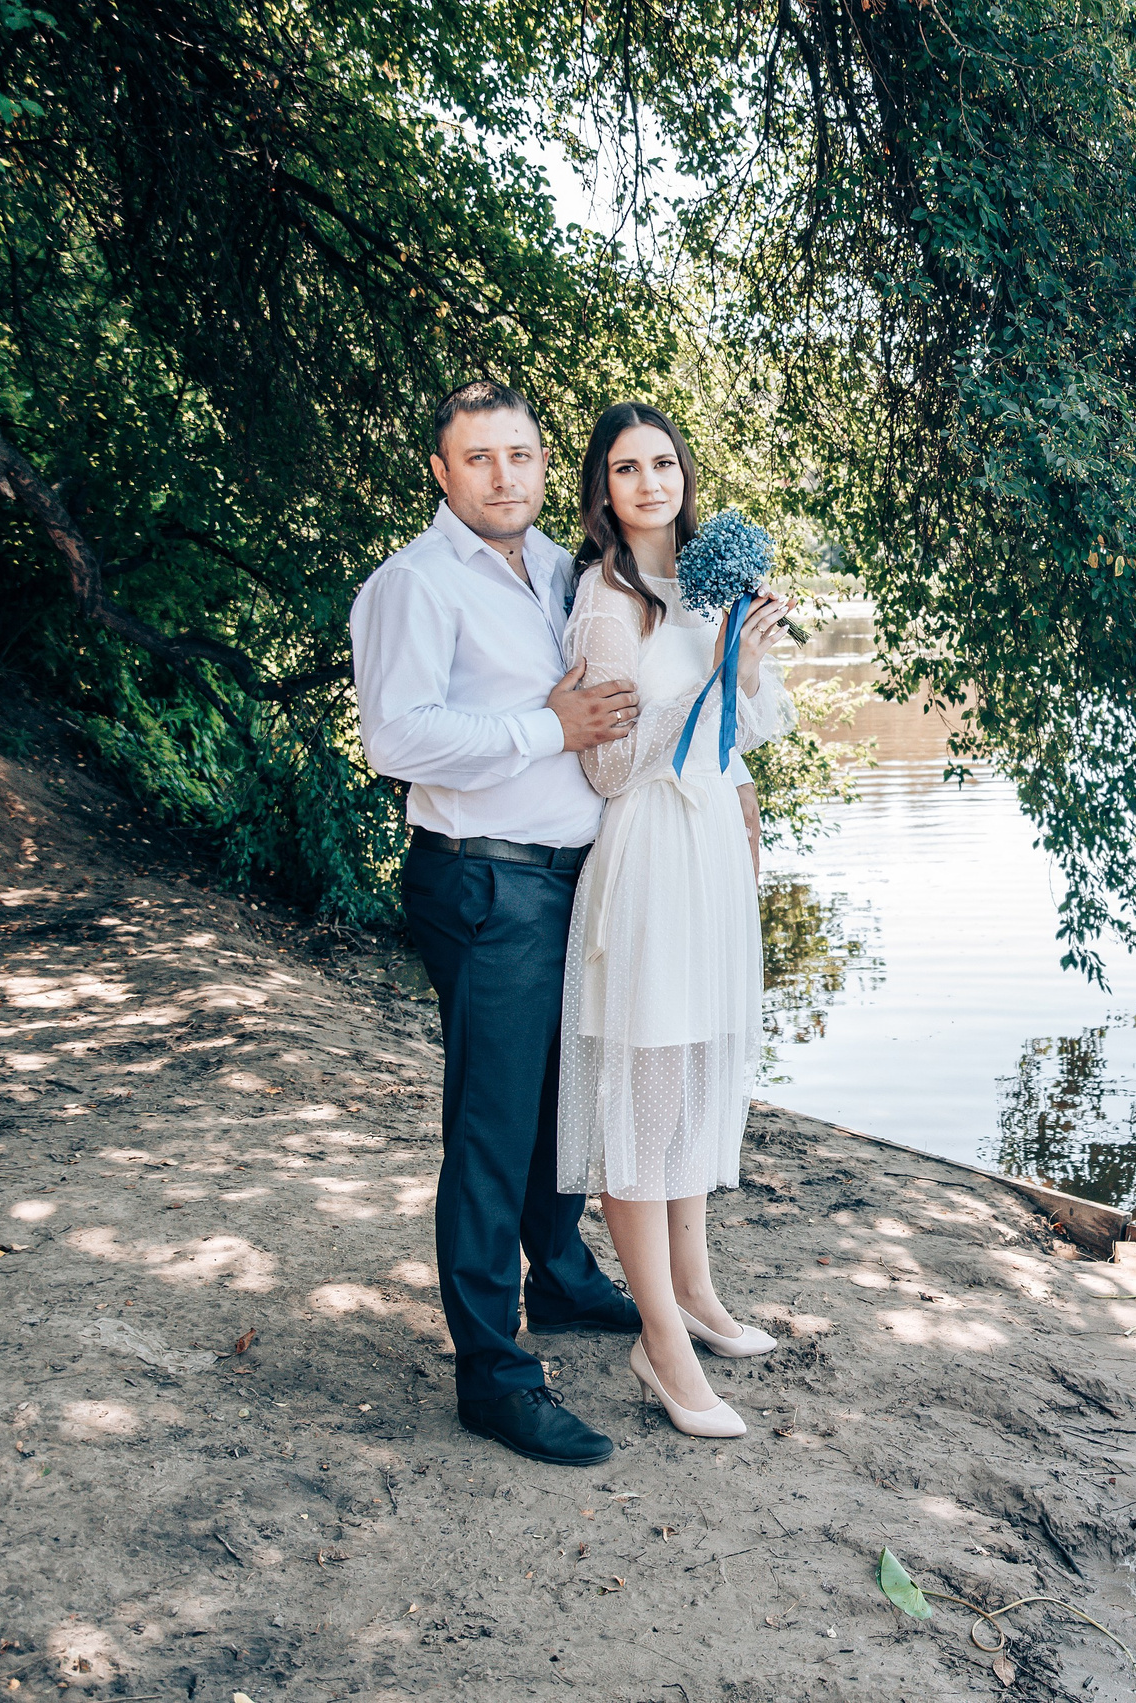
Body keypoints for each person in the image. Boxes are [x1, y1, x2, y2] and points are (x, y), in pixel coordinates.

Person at [348, 379, 647, 1467]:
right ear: (441, 470)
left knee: (557, 1100)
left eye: (519, 454)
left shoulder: (561, 572)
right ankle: (493, 1374)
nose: (504, 475)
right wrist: (546, 726)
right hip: (487, 883)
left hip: (572, 878)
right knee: (489, 1128)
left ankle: (558, 1275)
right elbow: (396, 737)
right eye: (479, 458)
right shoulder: (415, 584)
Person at [558, 401, 795, 1438]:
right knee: (645, 1100)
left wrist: (742, 665)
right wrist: (711, 677)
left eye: (662, 462)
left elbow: (741, 727)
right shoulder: (605, 604)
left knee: (697, 1072)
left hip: (709, 851)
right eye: (625, 467)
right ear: (602, 491)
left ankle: (695, 1290)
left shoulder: (703, 581)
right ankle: (658, 1337)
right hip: (650, 851)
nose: (650, 482)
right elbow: (608, 765)